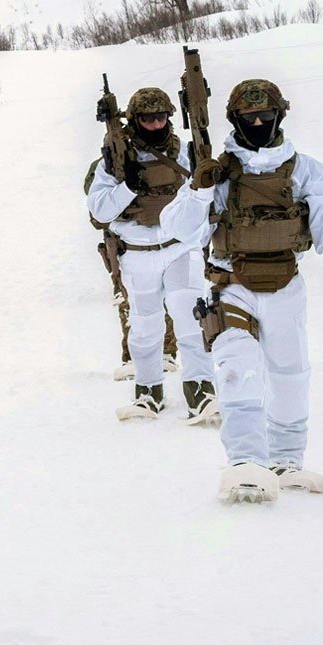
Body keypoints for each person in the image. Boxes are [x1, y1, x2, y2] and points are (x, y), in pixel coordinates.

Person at [198, 79, 323, 504]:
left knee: (290, 374)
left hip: (286, 284)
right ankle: (245, 462)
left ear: (279, 117)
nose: (257, 123)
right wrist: (197, 190)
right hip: (231, 285)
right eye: (249, 117)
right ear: (234, 120)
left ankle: (286, 460)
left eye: (265, 116)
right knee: (238, 366)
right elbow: (184, 229)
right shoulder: (219, 174)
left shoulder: (301, 168)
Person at [87, 87, 215, 421]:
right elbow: (99, 211)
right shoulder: (114, 161)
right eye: (148, 118)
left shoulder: (184, 153)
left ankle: (201, 392)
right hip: (138, 253)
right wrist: (126, 187)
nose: (156, 124)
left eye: (162, 117)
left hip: (179, 249)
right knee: (144, 326)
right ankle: (148, 394)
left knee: (190, 318)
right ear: (135, 119)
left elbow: (202, 197)